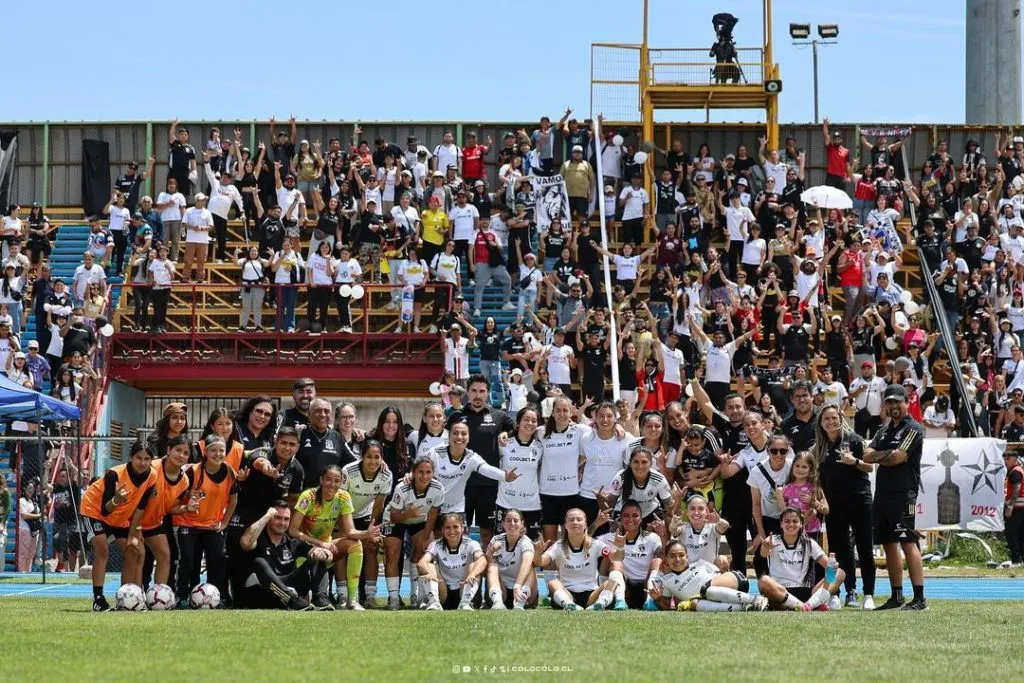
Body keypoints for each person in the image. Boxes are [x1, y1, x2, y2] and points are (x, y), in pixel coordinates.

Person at [862, 383, 927, 610]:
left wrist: (880, 456)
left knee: (908, 542)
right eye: (889, 402)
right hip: (882, 494)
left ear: (906, 402)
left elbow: (898, 457)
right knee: (888, 544)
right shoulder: (884, 430)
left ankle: (920, 599)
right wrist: (884, 455)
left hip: (903, 494)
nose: (893, 406)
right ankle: (896, 596)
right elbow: (866, 454)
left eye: (897, 402)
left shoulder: (913, 429)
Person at [78, 441, 159, 611]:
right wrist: (116, 500)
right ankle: (98, 600)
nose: (142, 462)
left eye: (147, 459)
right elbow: (105, 510)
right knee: (103, 550)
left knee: (134, 551)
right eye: (138, 458)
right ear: (131, 457)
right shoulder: (114, 474)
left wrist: (132, 535)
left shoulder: (152, 475)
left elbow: (140, 508)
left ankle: (128, 598)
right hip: (94, 511)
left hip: (120, 518)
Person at [813, 404, 876, 609]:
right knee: (835, 552)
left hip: (859, 501)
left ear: (841, 419)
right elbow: (817, 480)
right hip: (834, 506)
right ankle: (836, 593)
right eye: (827, 419)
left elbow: (870, 467)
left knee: (865, 549)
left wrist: (854, 461)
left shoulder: (855, 440)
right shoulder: (819, 448)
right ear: (821, 424)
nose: (831, 422)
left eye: (834, 418)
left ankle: (868, 594)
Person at [173, 434, 237, 607]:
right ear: (205, 451)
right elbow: (178, 495)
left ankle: (219, 596)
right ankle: (183, 596)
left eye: (221, 450)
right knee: (188, 561)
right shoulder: (193, 471)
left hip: (212, 526)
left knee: (218, 560)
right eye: (213, 450)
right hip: (188, 524)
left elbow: (234, 498)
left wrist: (224, 522)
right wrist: (188, 502)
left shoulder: (230, 472)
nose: (218, 454)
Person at [381, 454, 444, 610]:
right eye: (420, 472)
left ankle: (417, 595)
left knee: (424, 550)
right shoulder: (402, 488)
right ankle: (393, 598)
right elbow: (394, 516)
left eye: (428, 472)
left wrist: (425, 536)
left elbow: (433, 514)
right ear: (413, 473)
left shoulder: (438, 488)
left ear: (433, 473)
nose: (424, 476)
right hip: (395, 518)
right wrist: (408, 514)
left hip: (419, 521)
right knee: (392, 553)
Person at [237, 503, 327, 611]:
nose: (282, 523)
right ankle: (291, 599)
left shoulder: (293, 542)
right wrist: (266, 516)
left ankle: (321, 600)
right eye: (277, 518)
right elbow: (245, 543)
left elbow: (327, 555)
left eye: (286, 519)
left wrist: (323, 554)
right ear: (270, 518)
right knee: (259, 562)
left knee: (318, 558)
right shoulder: (258, 539)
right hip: (264, 593)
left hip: (290, 592)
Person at [534, 507, 626, 610]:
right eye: (571, 519)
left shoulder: (595, 544)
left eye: (579, 519)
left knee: (612, 582)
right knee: (553, 583)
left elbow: (616, 558)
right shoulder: (558, 546)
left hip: (592, 594)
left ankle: (599, 604)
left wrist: (620, 547)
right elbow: (540, 562)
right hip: (568, 593)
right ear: (565, 525)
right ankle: (569, 605)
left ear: (585, 524)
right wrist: (537, 553)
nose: (575, 522)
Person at [757, 507, 846, 611]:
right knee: (763, 581)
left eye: (795, 521)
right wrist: (766, 547)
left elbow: (828, 565)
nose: (791, 524)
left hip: (806, 593)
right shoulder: (773, 540)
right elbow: (763, 554)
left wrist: (832, 566)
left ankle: (810, 604)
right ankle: (805, 606)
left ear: (801, 524)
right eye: (787, 521)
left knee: (839, 573)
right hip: (780, 592)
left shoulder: (809, 543)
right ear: (781, 524)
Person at [341, 441, 393, 606]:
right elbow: (339, 499)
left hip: (366, 514)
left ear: (382, 458)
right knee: (343, 549)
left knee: (371, 547)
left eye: (377, 457)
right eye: (369, 456)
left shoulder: (386, 475)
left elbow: (379, 504)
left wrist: (372, 529)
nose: (373, 461)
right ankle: (343, 595)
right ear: (362, 457)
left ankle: (370, 596)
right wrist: (342, 528)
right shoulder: (348, 471)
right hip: (344, 514)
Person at [652, 539, 768, 612]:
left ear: (687, 557)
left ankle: (756, 599)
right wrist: (657, 599)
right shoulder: (666, 581)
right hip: (714, 598)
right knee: (695, 604)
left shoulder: (700, 563)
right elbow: (667, 607)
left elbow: (723, 575)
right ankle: (745, 607)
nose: (677, 559)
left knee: (707, 589)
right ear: (666, 559)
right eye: (672, 556)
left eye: (681, 555)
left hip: (734, 581)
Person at [596, 500, 663, 609]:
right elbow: (585, 543)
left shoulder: (651, 537)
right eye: (626, 516)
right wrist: (596, 524)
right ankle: (617, 601)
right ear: (621, 519)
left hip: (646, 586)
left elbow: (663, 558)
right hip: (623, 586)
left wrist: (662, 534)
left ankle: (650, 601)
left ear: (641, 519)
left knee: (657, 561)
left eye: (635, 516)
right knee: (614, 561)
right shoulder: (610, 537)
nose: (631, 519)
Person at [417, 513, 486, 610]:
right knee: (430, 566)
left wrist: (472, 574)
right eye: (447, 527)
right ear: (442, 530)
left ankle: (465, 603)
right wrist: (429, 573)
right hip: (445, 592)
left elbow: (482, 560)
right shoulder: (436, 544)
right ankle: (434, 602)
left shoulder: (472, 543)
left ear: (462, 528)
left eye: (455, 527)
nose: (452, 531)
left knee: (474, 565)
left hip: (466, 589)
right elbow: (421, 563)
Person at [486, 508, 538, 609]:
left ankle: (520, 603)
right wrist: (491, 552)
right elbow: (488, 565)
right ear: (503, 523)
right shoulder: (496, 539)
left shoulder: (526, 542)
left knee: (530, 566)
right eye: (508, 520)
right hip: (502, 589)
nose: (512, 523)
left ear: (522, 523)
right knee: (492, 566)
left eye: (516, 520)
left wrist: (517, 586)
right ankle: (497, 602)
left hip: (520, 588)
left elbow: (527, 563)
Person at [1003, 450, 1024, 568]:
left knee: (1011, 532)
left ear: (1015, 459)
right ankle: (1019, 559)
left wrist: (1010, 506)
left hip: (1017, 507)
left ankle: (1016, 560)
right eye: (1005, 458)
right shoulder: (1018, 470)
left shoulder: (1015, 472)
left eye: (1008, 459)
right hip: (1020, 507)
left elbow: (1017, 489)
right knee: (1020, 533)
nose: (1006, 461)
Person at [16, 479, 41, 572]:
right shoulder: (22, 500)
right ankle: (21, 572)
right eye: (29, 488)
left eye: (32, 488)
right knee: (23, 553)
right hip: (25, 529)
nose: (31, 490)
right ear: (24, 489)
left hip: (34, 531)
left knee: (31, 554)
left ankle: (28, 572)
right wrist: (38, 515)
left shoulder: (33, 501)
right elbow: (24, 515)